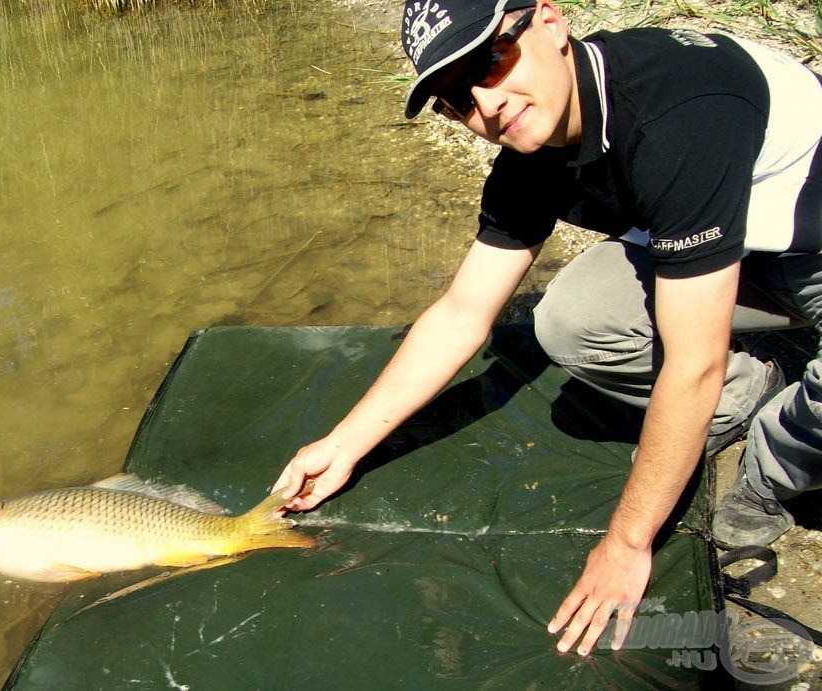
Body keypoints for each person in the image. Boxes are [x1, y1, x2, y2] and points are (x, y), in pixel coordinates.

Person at [273, 0, 822, 656]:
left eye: (490, 59)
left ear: (553, 25)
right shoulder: (532, 151)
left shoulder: (674, 114)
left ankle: (768, 470)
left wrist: (625, 543)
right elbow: (461, 313)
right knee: (568, 323)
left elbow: (691, 361)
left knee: (709, 372)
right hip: (724, 241)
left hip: (804, 237)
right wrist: (343, 444)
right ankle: (747, 386)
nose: (485, 101)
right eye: (455, 97)